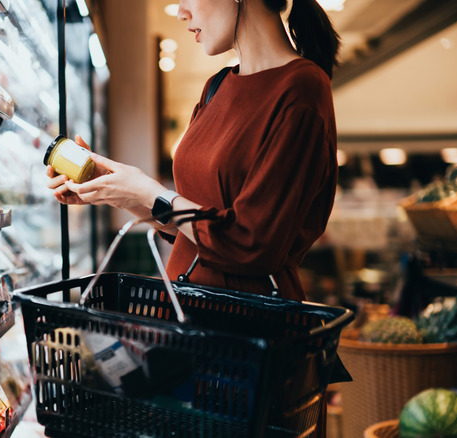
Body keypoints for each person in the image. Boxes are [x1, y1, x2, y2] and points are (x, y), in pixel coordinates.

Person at [48, 1, 341, 432]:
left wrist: (150, 191)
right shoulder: (217, 87)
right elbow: (200, 225)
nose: (180, 11)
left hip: (246, 347)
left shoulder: (301, 88)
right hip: (186, 331)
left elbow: (250, 243)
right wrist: (116, 191)